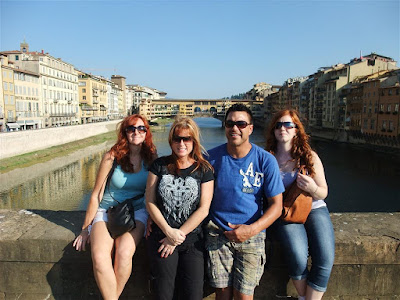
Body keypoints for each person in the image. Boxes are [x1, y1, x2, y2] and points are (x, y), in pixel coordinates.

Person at [73, 114, 157, 300]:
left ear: (146, 132)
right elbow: (95, 194)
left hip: (138, 213)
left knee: (124, 252)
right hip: (106, 211)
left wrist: (153, 217)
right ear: (125, 132)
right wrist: (85, 229)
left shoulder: (151, 157)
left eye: (141, 128)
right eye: (131, 128)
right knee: (100, 258)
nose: (136, 132)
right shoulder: (112, 157)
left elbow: (154, 193)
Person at [205, 103, 285, 300]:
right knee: (221, 295)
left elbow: (277, 206)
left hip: (252, 236)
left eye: (241, 124)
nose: (234, 128)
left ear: (250, 128)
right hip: (218, 234)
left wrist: (252, 230)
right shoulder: (210, 158)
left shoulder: (265, 160)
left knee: (244, 296)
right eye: (230, 123)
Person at [265, 110, 335, 300]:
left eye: (288, 125)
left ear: (296, 130)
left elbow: (323, 192)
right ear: (273, 130)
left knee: (325, 258)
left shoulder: (309, 156)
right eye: (278, 125)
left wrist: (312, 188)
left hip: (315, 208)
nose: (283, 129)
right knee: (297, 255)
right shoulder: (266, 158)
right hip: (287, 212)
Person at [146, 116, 214, 300]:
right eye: (177, 138)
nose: (181, 143)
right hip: (162, 238)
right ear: (171, 141)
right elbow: (150, 201)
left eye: (187, 138)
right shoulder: (160, 165)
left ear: (194, 141)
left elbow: (203, 209)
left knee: (194, 294)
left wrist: (176, 236)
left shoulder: (204, 169)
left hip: (192, 241)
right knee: (164, 294)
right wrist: (168, 232)